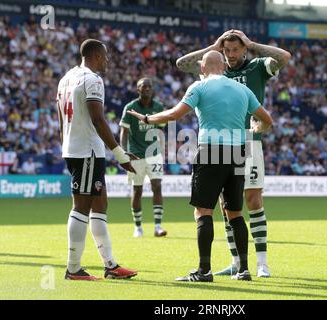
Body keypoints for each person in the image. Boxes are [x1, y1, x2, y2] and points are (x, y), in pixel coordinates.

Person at [127, 51, 273, 282]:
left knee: (203, 211)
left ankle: (204, 271)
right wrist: (257, 129)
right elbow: (267, 120)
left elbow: (174, 115)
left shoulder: (200, 87)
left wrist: (146, 119)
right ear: (224, 67)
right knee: (235, 213)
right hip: (238, 153)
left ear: (203, 68)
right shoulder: (243, 90)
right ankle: (244, 269)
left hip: (211, 151)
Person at [176, 29, 291, 278]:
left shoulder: (258, 67)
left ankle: (261, 262)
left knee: (252, 199)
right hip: (223, 145)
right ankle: (236, 262)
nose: (230, 55)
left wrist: (252, 44)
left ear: (244, 49)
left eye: (235, 49)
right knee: (226, 205)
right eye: (226, 50)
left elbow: (284, 57)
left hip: (249, 141)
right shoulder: (216, 72)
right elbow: (181, 63)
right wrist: (213, 45)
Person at [56, 39, 139, 281]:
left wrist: (66, 144)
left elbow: (61, 119)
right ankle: (73, 269)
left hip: (75, 149)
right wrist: (120, 154)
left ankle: (110, 265)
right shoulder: (92, 79)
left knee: (99, 204)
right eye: (105, 55)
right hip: (87, 152)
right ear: (95, 56)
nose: (108, 60)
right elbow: (98, 119)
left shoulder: (65, 79)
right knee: (81, 207)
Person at [119, 77, 167, 238]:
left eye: (149, 86)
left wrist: (162, 149)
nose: (146, 88)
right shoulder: (131, 107)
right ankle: (138, 227)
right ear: (138, 89)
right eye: (143, 86)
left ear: (152, 89)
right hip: (135, 154)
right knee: (137, 190)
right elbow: (124, 132)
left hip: (154, 154)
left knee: (157, 186)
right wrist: (123, 152)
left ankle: (158, 226)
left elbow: (161, 130)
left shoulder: (159, 106)